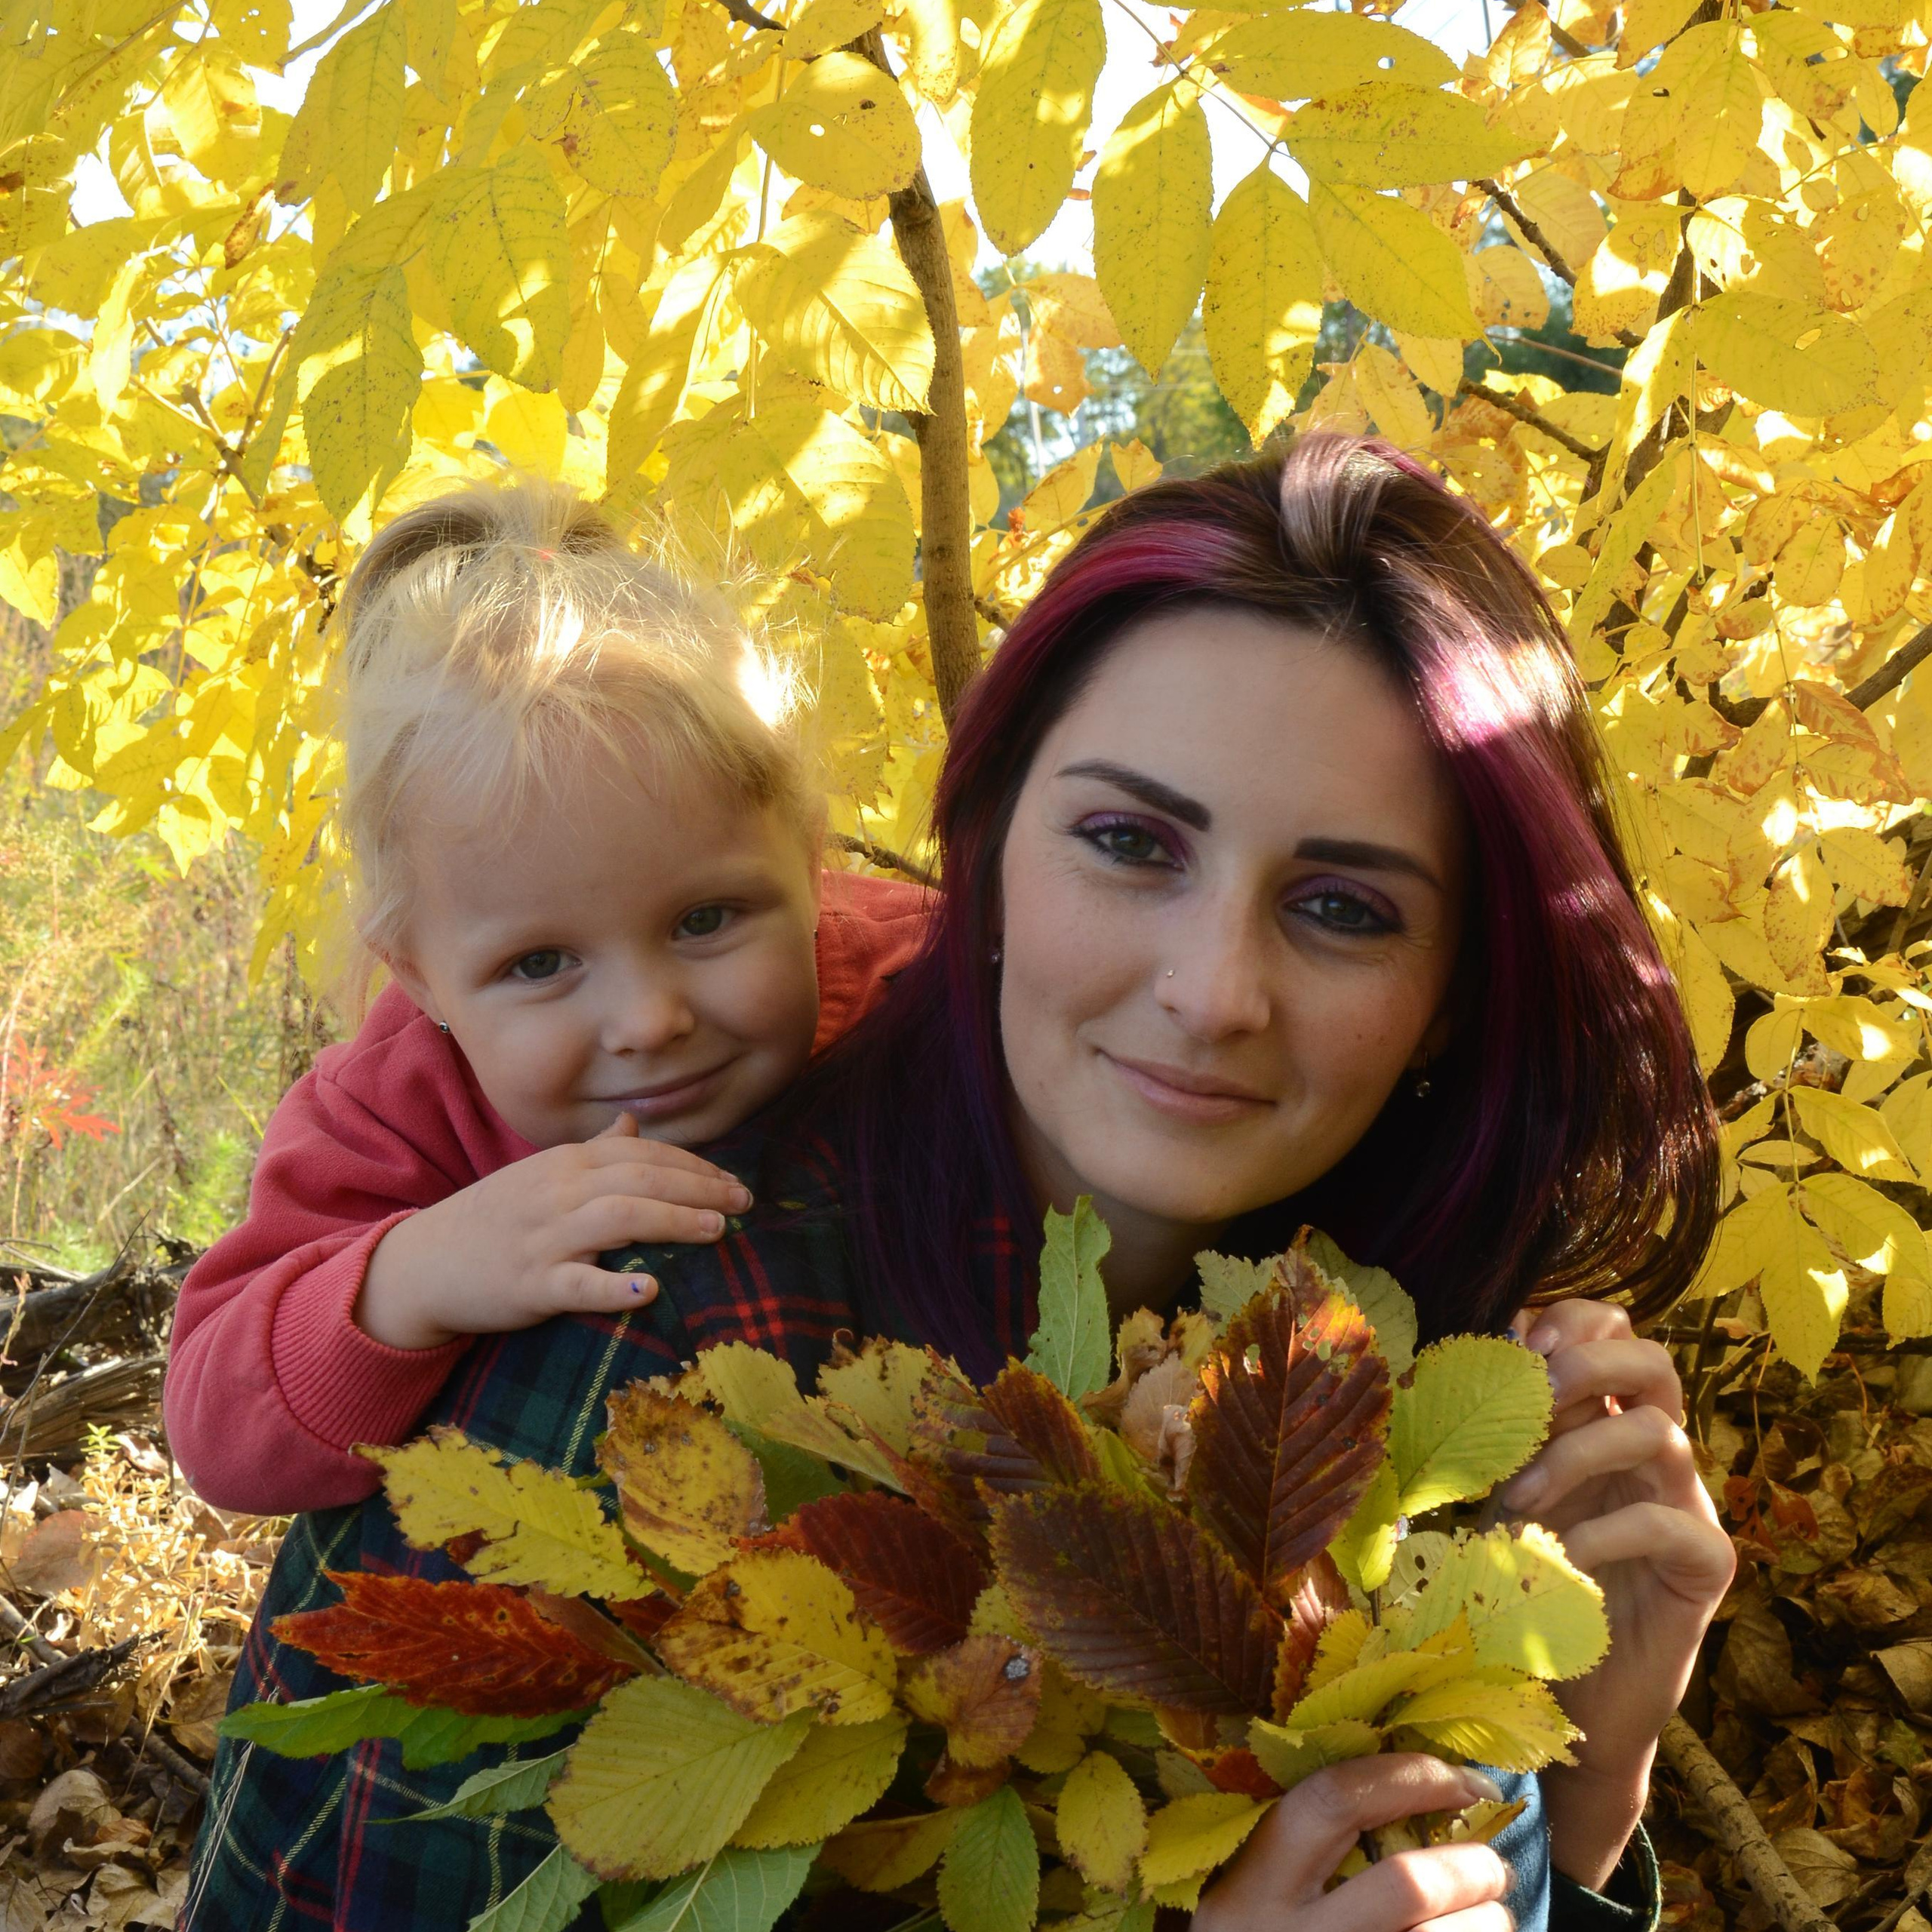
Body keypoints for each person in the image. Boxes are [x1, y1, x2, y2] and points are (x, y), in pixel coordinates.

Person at [182, 438, 1734, 1931]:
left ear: (1454, 992)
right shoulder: (646, 1334)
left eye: (1339, 906)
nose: (1209, 990)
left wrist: (1590, 1780)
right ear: (987, 846)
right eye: (1129, 841)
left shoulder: (1394, 1394)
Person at [162, 481, 928, 1517]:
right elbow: (221, 1438)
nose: (649, 1020)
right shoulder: (398, 1108)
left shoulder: (919, 984)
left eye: (705, 921)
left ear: (805, 858)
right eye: (539, 965)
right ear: (419, 975)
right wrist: (415, 1277)